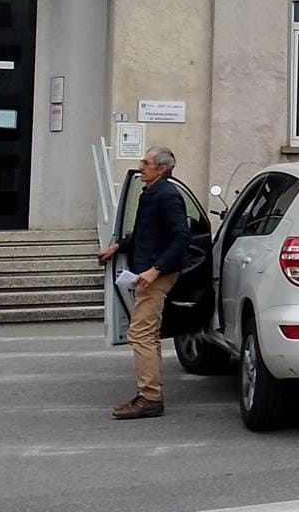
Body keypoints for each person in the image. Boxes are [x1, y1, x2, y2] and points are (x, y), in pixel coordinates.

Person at [97, 146, 190, 420]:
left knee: (140, 333)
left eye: (146, 163)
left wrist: (156, 269)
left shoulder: (168, 195)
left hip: (157, 274)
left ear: (162, 169)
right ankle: (151, 393)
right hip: (144, 271)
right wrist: (118, 246)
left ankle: (150, 398)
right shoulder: (149, 192)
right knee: (149, 334)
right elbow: (143, 234)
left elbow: (182, 237)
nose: (140, 167)